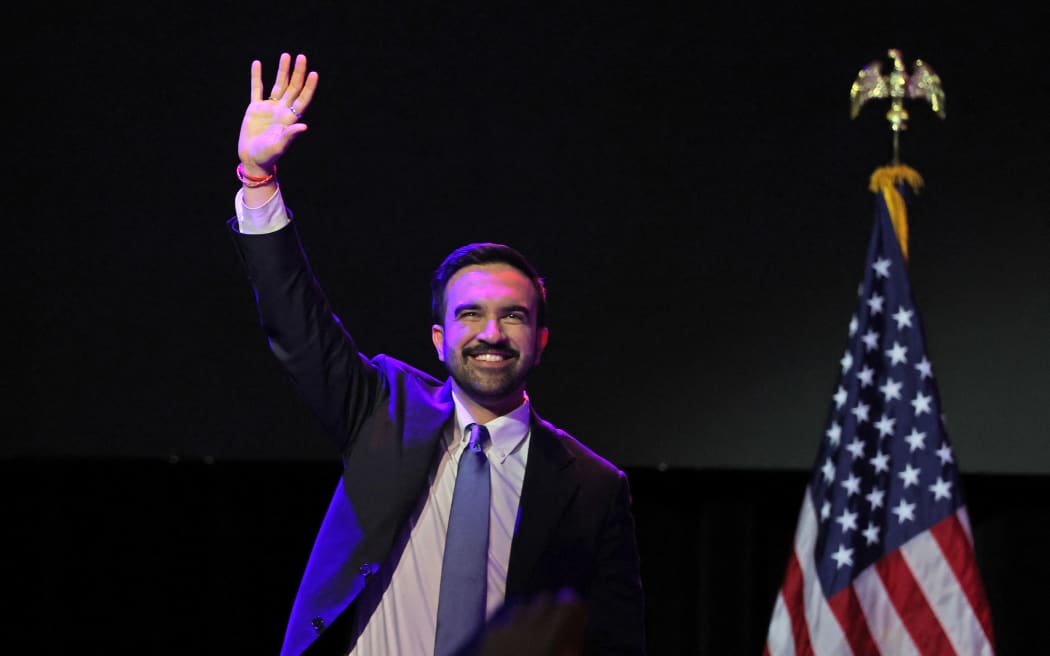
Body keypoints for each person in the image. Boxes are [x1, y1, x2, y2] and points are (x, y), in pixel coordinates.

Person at [228, 52, 646, 656]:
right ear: (438, 338)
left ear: (542, 338)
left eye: (514, 316)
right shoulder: (383, 409)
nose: (492, 333)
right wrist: (258, 182)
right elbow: (299, 328)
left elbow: (616, 642)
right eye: (470, 314)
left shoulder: (593, 487)